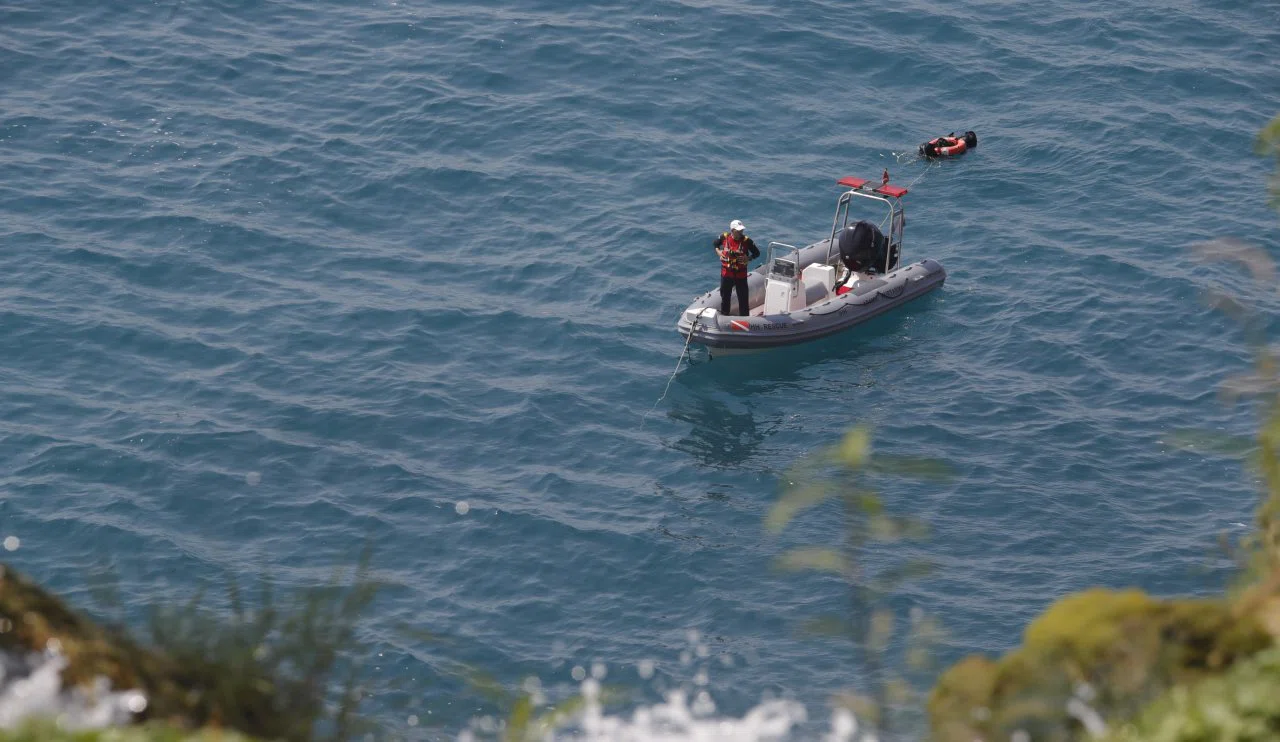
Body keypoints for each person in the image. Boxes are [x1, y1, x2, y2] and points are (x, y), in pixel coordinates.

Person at [713, 219, 760, 316]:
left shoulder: (747, 241)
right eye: (739, 231)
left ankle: (745, 319)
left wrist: (748, 258)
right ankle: (724, 317)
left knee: (743, 299)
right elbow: (715, 243)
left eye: (742, 230)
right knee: (725, 298)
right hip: (726, 274)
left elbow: (757, 253)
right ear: (733, 230)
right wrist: (718, 251)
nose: (741, 232)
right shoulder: (724, 237)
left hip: (741, 275)